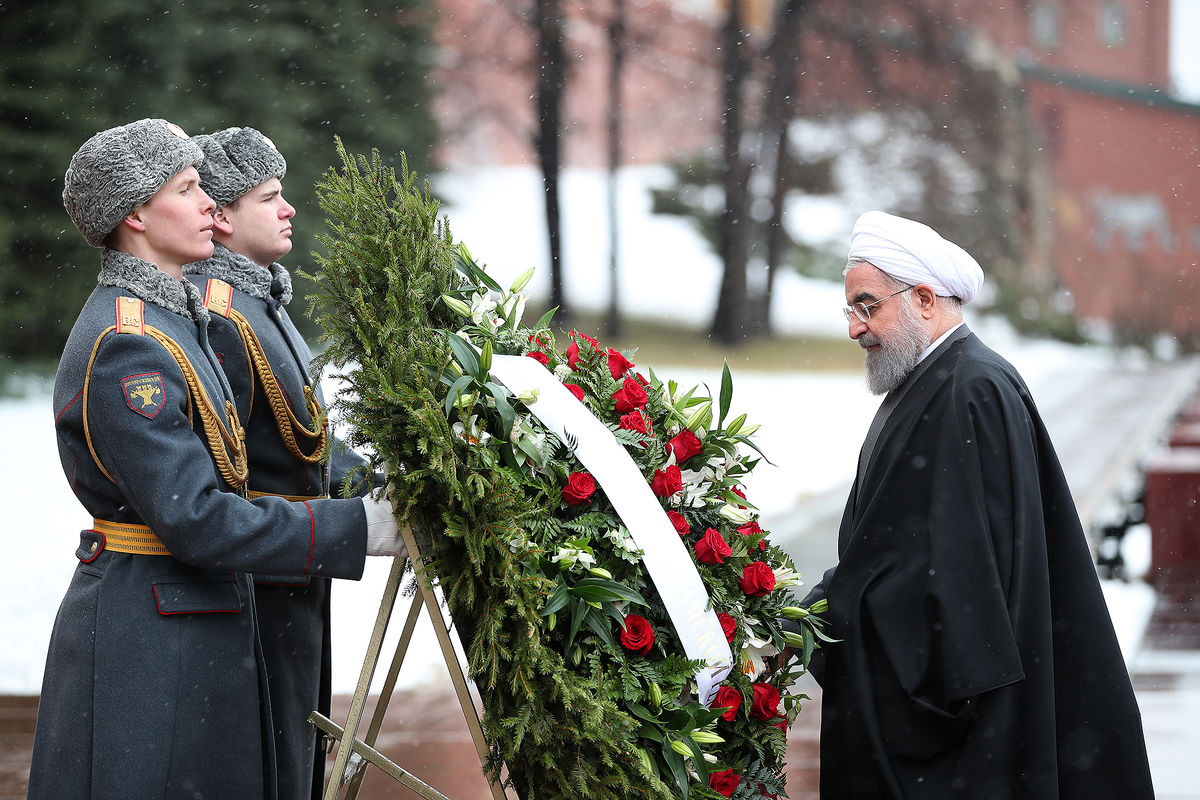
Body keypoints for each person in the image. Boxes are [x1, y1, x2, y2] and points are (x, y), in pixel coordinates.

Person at [29, 119, 405, 799]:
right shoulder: (128, 343)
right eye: (188, 188)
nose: (211, 205)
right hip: (152, 632)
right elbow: (196, 518)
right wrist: (358, 528)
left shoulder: (173, 318)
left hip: (191, 618)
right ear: (136, 214)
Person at [801, 211, 1153, 798]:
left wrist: (840, 609)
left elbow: (971, 581)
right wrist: (823, 608)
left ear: (923, 299)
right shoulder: (937, 381)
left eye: (867, 306)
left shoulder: (971, 388)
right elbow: (904, 548)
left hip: (971, 732)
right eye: (852, 310)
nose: (856, 328)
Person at [181, 126, 368, 800]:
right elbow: (233, 466)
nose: (289, 209)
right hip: (261, 582)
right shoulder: (223, 315)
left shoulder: (259, 300)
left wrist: (379, 486)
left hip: (296, 572)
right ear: (222, 216)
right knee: (273, 764)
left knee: (298, 751)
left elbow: (306, 443)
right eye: (271, 197)